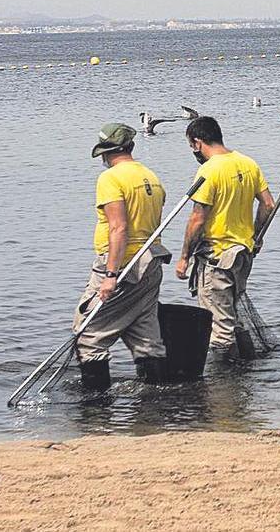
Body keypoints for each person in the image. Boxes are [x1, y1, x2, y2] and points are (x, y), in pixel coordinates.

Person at [74, 123, 171, 390]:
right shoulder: (150, 176)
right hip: (151, 262)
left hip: (122, 264)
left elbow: (119, 228)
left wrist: (111, 275)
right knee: (145, 334)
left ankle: (96, 407)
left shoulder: (111, 178)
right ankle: (156, 400)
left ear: (106, 152)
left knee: (89, 335)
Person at [175, 116, 275, 360]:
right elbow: (268, 205)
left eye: (191, 146)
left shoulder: (209, 170)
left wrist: (184, 257)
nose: (193, 151)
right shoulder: (248, 163)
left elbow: (198, 218)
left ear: (198, 142)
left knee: (218, 330)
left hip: (217, 257)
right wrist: (255, 236)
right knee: (233, 318)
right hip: (242, 253)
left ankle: (224, 390)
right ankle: (247, 377)